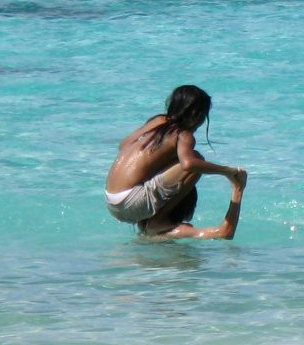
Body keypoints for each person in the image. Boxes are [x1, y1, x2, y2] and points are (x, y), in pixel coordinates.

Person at [105, 85, 247, 238]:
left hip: (111, 200)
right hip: (131, 202)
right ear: (197, 115)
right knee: (196, 159)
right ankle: (158, 220)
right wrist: (228, 172)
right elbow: (188, 164)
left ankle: (151, 220)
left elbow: (123, 145)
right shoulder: (183, 135)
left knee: (181, 158)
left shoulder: (158, 120)